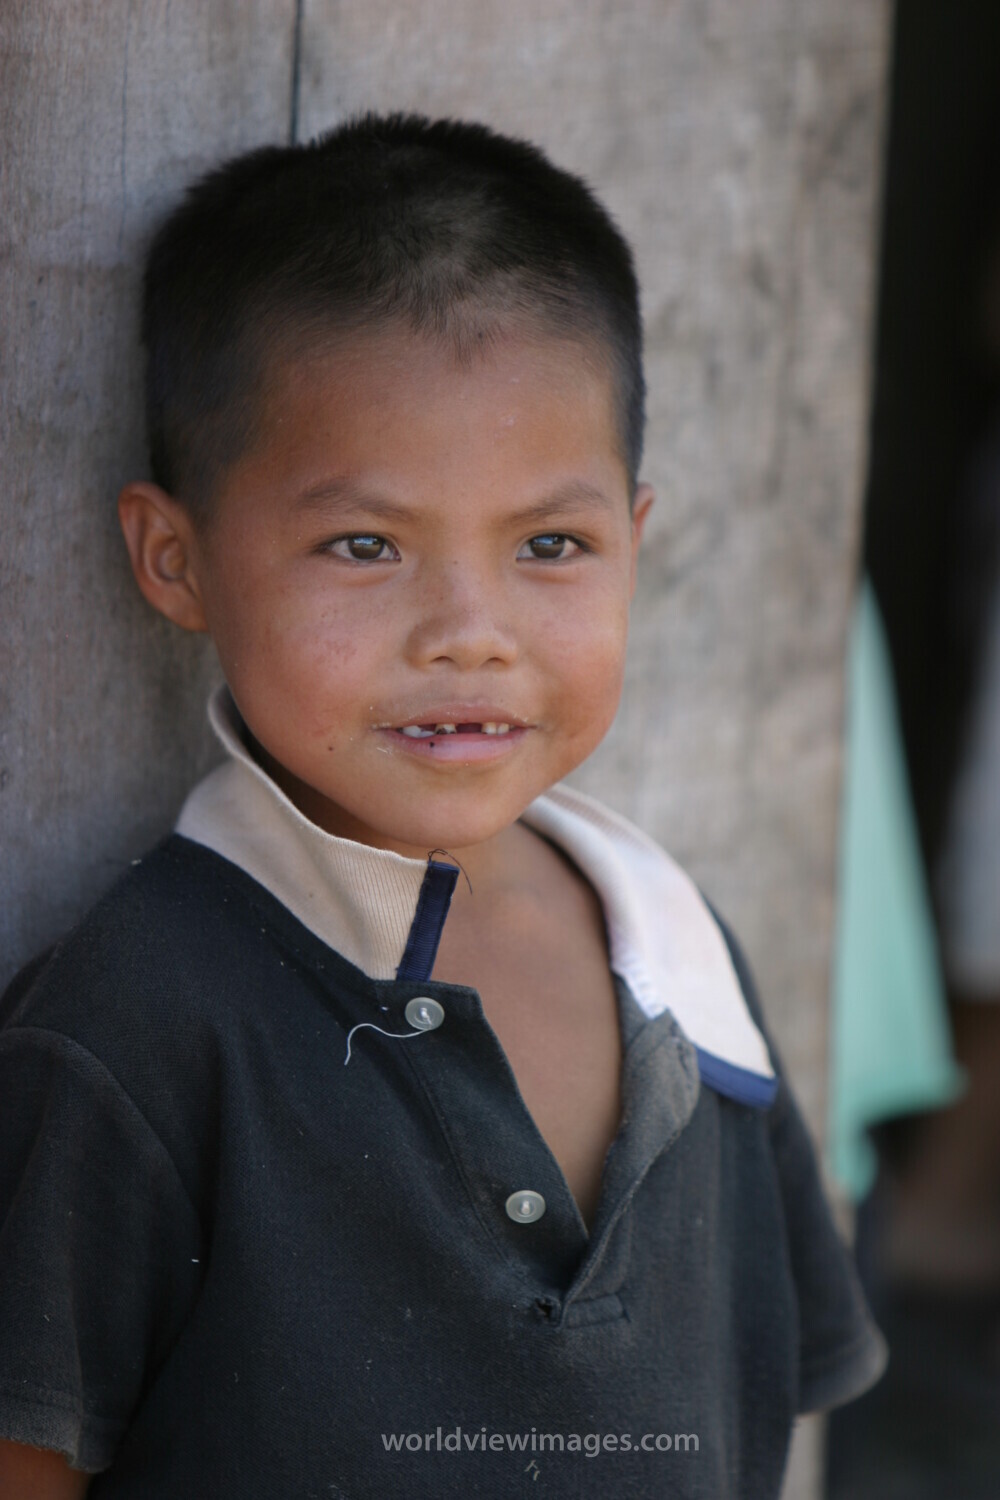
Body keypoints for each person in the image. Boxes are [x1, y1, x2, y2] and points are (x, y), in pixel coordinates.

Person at [0, 113, 886, 1498]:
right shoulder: (137, 1027)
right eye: (365, 544)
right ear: (176, 559)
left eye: (552, 544)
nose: (471, 631)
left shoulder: (683, 966)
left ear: (635, 543)